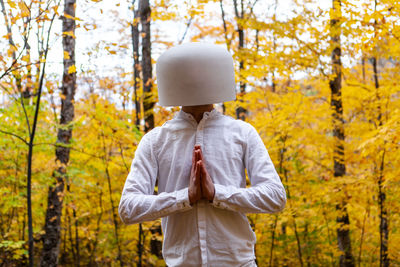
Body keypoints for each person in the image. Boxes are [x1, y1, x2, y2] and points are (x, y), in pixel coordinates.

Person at [118, 43, 286, 266]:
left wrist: (218, 194)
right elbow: (128, 208)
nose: (196, 78)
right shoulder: (155, 141)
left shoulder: (243, 133)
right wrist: (185, 197)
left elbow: (275, 197)